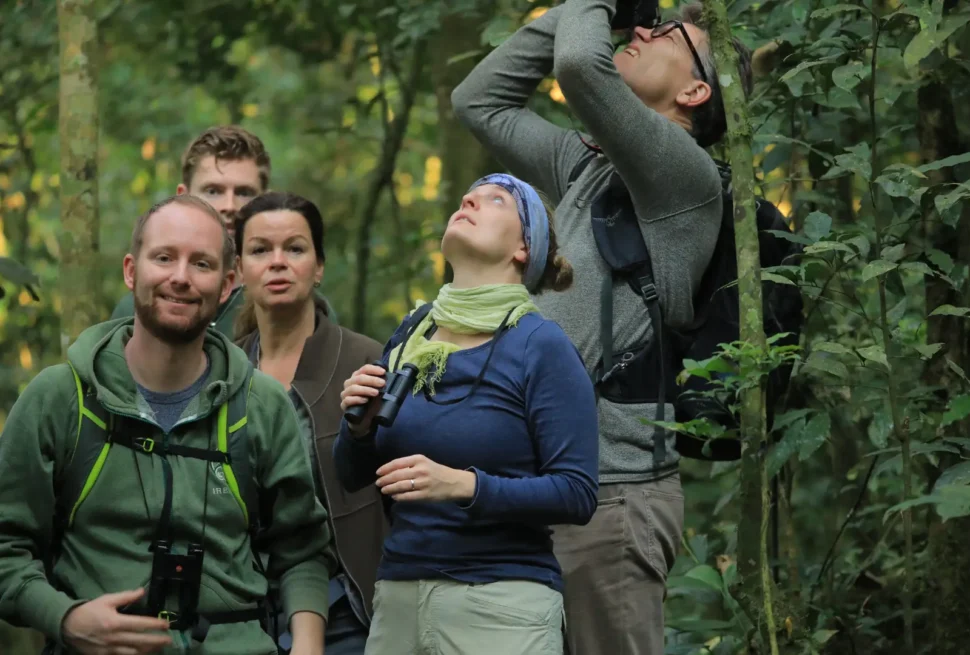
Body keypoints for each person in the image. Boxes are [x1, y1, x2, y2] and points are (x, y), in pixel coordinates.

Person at [451, 1, 753, 654]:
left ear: (696, 90)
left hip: (611, 498)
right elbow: (480, 102)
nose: (642, 30)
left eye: (665, 32)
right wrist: (570, 10)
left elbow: (578, 64)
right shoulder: (592, 170)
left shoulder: (684, 179)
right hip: (536, 489)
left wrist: (605, 3)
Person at [0, 194, 336, 655]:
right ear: (131, 270)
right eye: (164, 258)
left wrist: (308, 646)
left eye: (201, 263)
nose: (180, 278)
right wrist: (65, 618)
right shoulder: (60, 399)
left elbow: (302, 549)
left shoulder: (261, 406)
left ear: (226, 284)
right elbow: (6, 548)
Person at [334, 173, 599, 655]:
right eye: (468, 194)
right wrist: (358, 425)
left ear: (524, 248)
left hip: (501, 606)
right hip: (398, 600)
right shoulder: (412, 334)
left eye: (495, 199)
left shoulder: (540, 345)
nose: (470, 199)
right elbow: (351, 476)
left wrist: (465, 485)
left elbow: (577, 493)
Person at [233, 191, 385, 655]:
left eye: (294, 249)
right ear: (238, 270)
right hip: (238, 613)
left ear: (318, 266)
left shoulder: (366, 360)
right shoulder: (221, 372)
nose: (277, 262)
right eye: (260, 250)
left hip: (348, 615)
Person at [109, 125, 338, 334]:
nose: (229, 206)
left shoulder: (297, 305)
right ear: (183, 196)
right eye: (213, 191)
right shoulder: (141, 305)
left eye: (244, 193)